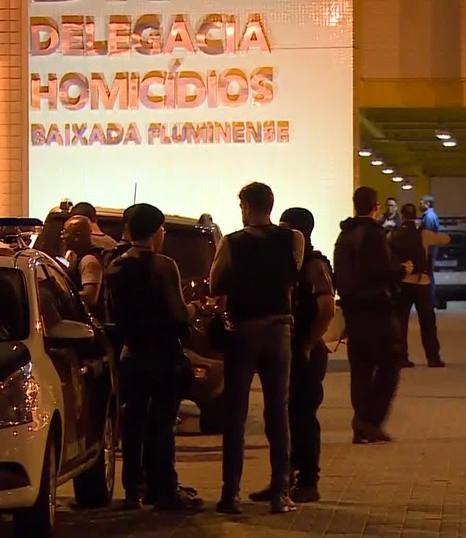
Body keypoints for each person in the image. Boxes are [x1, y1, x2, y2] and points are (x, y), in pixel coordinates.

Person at [209, 182, 304, 515]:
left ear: (246, 206)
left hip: (244, 330)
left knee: (235, 414)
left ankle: (230, 495)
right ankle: (281, 494)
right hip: (279, 329)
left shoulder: (232, 242)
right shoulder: (293, 239)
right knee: (278, 412)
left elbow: (215, 282)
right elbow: (293, 276)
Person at [104, 204, 202, 512]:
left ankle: (133, 487)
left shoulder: (114, 266)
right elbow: (177, 311)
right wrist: (195, 310)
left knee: (133, 422)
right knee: (161, 424)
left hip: (131, 354)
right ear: (156, 231)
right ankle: (163, 489)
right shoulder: (163, 265)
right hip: (163, 355)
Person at [247, 207, 335, 505]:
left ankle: (307, 481)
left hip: (303, 350)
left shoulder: (312, 265)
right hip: (286, 347)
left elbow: (326, 309)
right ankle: (281, 480)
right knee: (278, 416)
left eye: (286, 228)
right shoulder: (287, 263)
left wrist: (308, 344)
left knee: (301, 416)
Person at [334, 186, 411, 444]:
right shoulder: (375, 235)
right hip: (377, 310)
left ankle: (361, 423)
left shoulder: (343, 236)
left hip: (353, 312)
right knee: (391, 362)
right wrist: (402, 269)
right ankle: (370, 420)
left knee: (361, 368)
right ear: (375, 206)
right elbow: (381, 270)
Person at [389, 203, 449, 368]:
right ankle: (433, 358)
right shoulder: (423, 234)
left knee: (401, 321)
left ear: (402, 216)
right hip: (422, 282)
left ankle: (401, 357)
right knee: (427, 322)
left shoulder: (393, 235)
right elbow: (445, 239)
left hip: (403, 282)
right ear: (415, 216)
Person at [61, 215, 104, 311]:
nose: (63, 236)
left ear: (77, 236)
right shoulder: (78, 257)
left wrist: (61, 296)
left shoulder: (89, 261)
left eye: (65, 232)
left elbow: (90, 297)